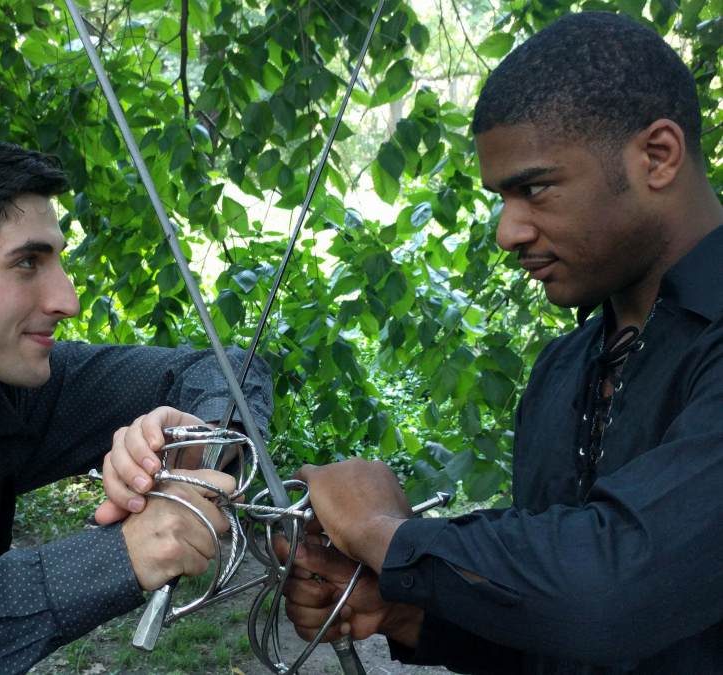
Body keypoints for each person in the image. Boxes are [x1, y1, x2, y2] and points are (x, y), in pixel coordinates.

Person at [275, 12, 723, 674]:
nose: (508, 231)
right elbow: (555, 628)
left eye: (535, 188)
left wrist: (386, 534)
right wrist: (404, 609)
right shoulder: (564, 369)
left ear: (657, 156)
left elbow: (609, 590)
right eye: (501, 198)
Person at [0, 133, 272, 672]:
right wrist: (122, 554)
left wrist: (188, 453)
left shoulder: (13, 389)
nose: (68, 300)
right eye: (27, 263)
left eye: (56, 259)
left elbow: (227, 372)